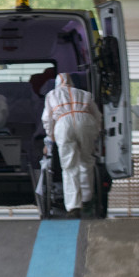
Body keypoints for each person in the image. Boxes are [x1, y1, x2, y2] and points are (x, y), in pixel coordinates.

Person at [40, 73, 103, 218]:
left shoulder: (52, 94)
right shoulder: (85, 94)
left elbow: (47, 118)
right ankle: (87, 200)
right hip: (86, 122)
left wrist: (51, 137)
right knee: (87, 161)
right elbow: (97, 116)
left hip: (64, 123)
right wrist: (96, 132)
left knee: (69, 166)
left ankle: (74, 206)